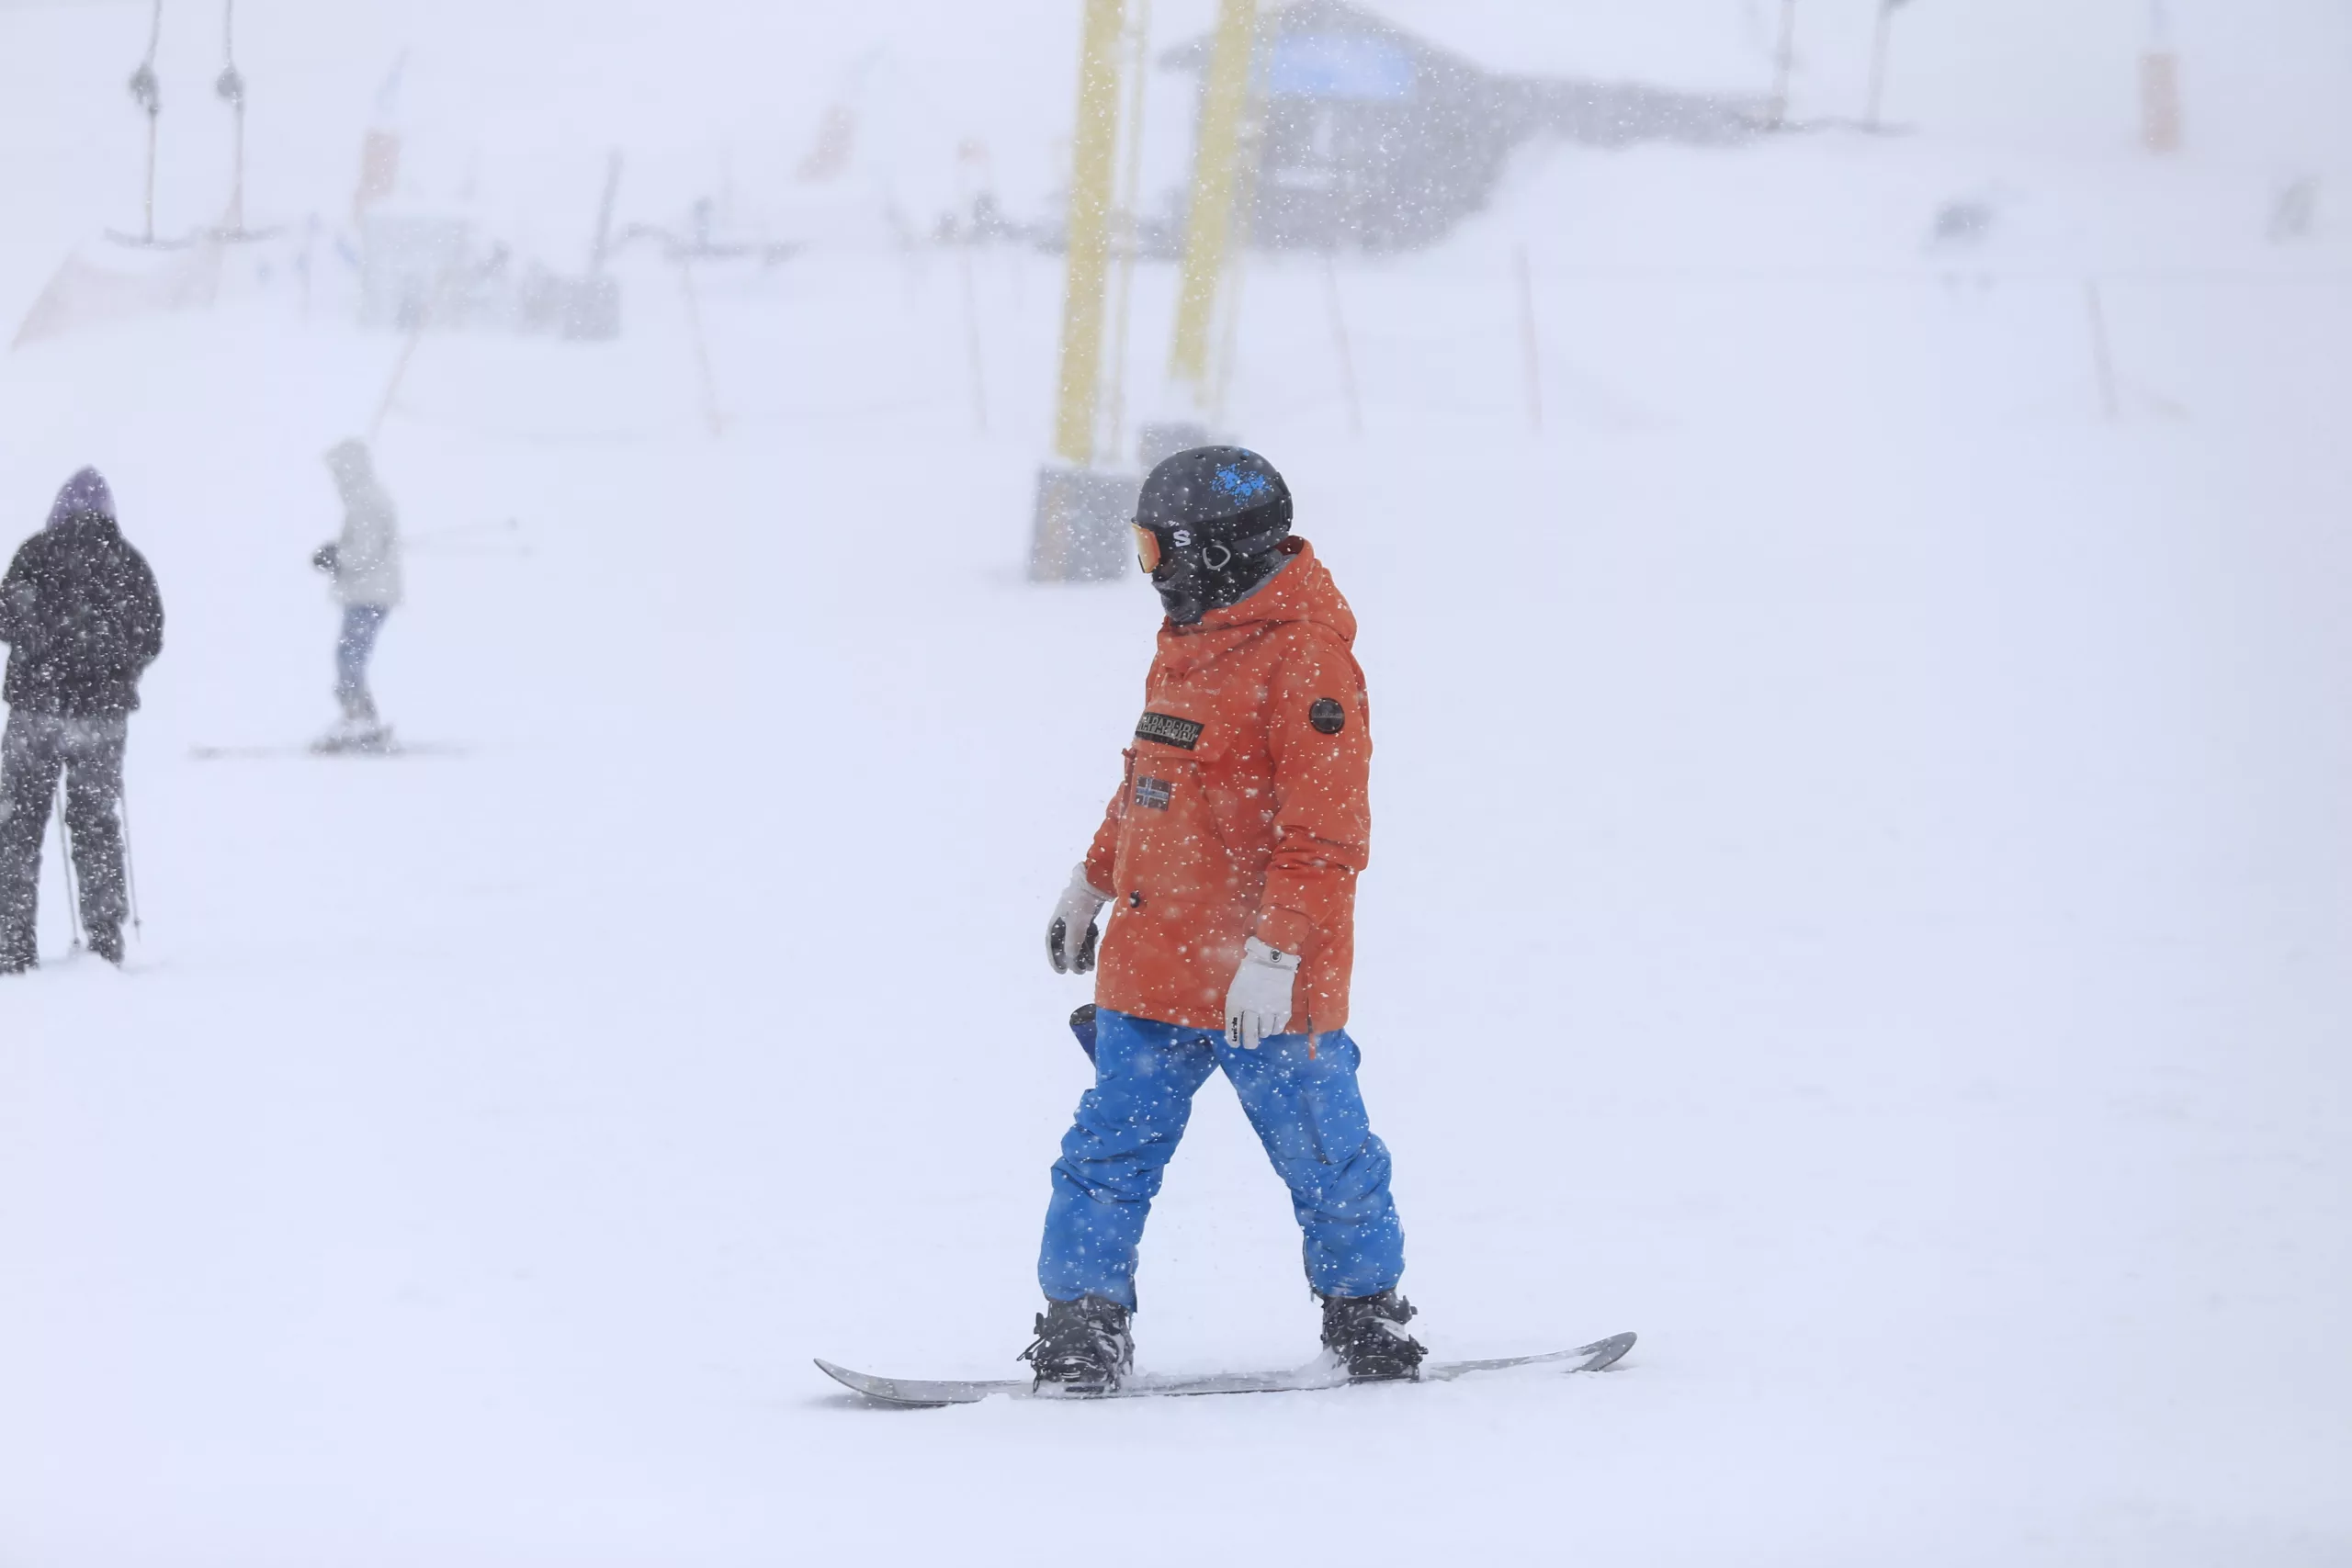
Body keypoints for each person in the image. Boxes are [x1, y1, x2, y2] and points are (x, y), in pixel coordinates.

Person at [1028, 446, 1422, 1393]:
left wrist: (1275, 954)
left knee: (1328, 1158)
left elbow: (1325, 836)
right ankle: (1082, 1325)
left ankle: (1365, 1316)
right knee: (1104, 1156)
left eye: (1156, 551)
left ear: (1214, 553)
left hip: (1266, 989)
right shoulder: (1190, 637)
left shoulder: (1307, 660)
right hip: (1155, 964)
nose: (1150, 573)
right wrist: (1091, 880)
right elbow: (1151, 778)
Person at [0, 467, 164, 972]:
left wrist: (41, 641)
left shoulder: (35, 554)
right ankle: (104, 939)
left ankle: (10, 942)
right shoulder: (127, 562)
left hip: (36, 712)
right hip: (102, 720)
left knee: (16, 824)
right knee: (96, 824)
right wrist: (119, 668)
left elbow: (5, 619)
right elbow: (151, 635)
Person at [312, 438, 401, 750]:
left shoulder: (366, 501)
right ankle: (360, 717)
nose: (335, 478)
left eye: (337, 471)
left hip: (369, 593)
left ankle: (359, 719)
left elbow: (365, 551)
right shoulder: (368, 498)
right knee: (351, 654)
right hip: (370, 592)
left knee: (349, 655)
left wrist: (335, 557)